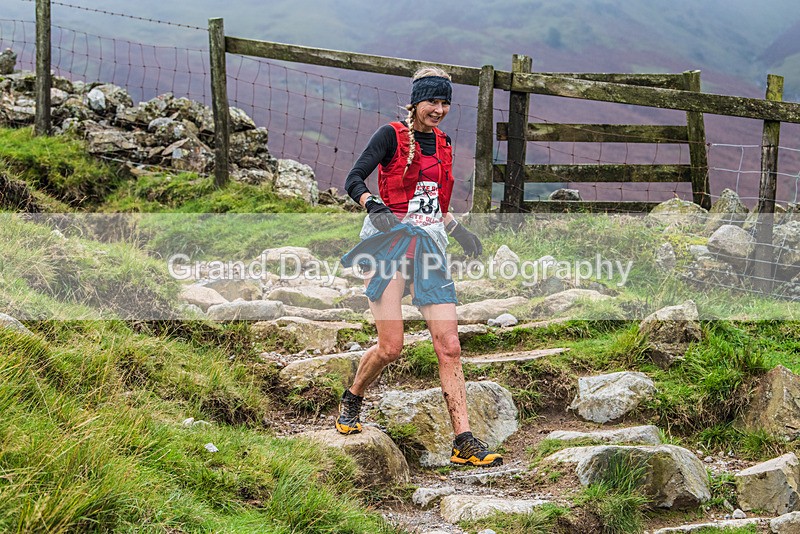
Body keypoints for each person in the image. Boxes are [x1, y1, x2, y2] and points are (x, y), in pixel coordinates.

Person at [336, 66, 502, 467]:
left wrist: (459, 230)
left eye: (445, 102)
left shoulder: (444, 143)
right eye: (432, 101)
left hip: (430, 248)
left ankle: (463, 441)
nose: (440, 109)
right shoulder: (391, 135)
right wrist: (371, 204)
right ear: (415, 102)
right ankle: (354, 395)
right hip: (389, 245)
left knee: (450, 346)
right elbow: (354, 178)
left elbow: (434, 204)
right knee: (391, 347)